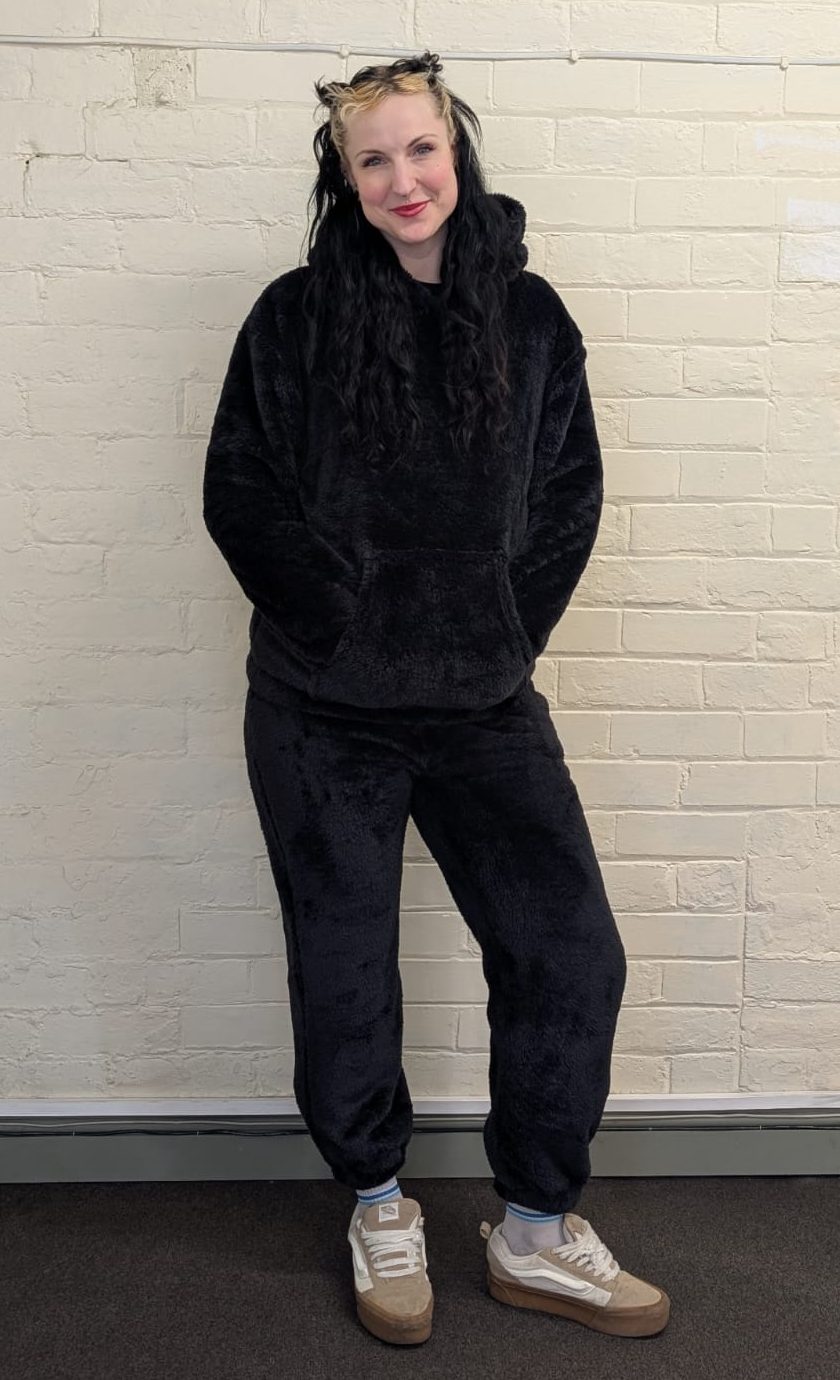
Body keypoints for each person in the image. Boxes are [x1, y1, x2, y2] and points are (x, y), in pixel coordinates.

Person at [202, 49, 670, 1346]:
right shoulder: (294, 318)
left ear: (455, 152)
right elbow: (239, 489)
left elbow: (568, 493)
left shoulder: (532, 319)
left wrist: (501, 631)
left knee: (569, 952)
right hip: (321, 710)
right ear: (344, 181)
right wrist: (340, 620)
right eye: (374, 160)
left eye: (420, 149)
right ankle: (377, 1201)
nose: (403, 179)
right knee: (346, 966)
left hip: (482, 699)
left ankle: (536, 1229)